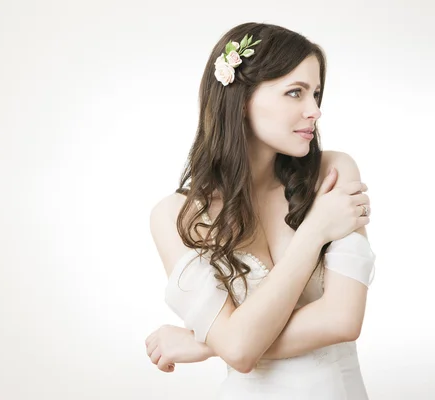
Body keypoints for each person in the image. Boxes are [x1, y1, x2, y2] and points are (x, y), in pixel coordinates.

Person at [145, 22, 376, 399]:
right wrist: (315, 230)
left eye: (316, 93)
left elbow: (342, 320)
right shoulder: (175, 217)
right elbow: (237, 351)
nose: (314, 110)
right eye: (295, 93)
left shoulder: (332, 173)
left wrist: (204, 342)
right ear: (241, 97)